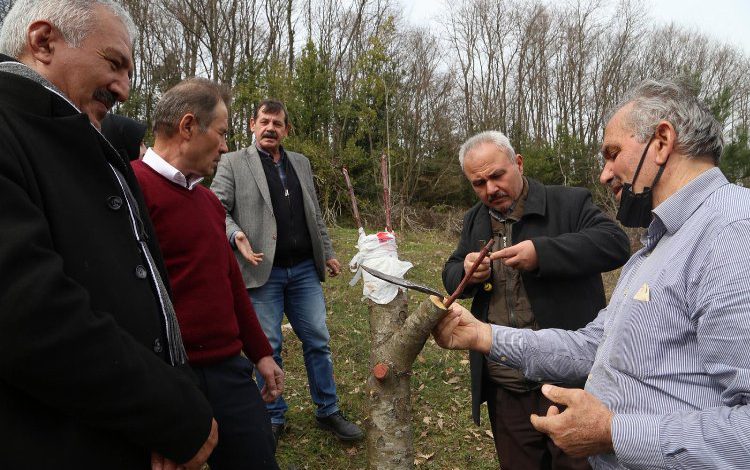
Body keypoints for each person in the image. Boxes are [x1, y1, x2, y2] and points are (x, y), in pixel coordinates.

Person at [433, 78, 750, 469]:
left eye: (612, 153)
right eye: (477, 182)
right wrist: (481, 334)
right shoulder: (660, 245)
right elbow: (591, 345)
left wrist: (613, 433)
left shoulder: (733, 232)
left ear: (663, 142)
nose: (604, 173)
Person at [0, 1, 216, 468]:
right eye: (114, 63)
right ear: (43, 42)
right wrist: (168, 412)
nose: (124, 87)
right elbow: (28, 315)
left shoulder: (80, 141)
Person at [443, 130, 630, 469]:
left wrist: (542, 254)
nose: (490, 190)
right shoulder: (476, 218)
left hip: (569, 384)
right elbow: (452, 270)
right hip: (506, 383)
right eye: (478, 183)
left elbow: (614, 243)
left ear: (517, 163)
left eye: (497, 175)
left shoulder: (568, 203)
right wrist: (466, 271)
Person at [132, 78, 284, 469]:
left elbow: (231, 283)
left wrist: (261, 353)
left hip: (228, 371)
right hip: (170, 376)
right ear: (187, 127)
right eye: (220, 133)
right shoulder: (132, 189)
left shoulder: (208, 203)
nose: (225, 146)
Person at [211, 99, 363, 444]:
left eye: (277, 124)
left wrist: (326, 252)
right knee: (269, 347)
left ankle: (328, 411)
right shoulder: (233, 163)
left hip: (304, 271)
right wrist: (236, 236)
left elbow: (314, 213)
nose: (270, 128)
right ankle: (273, 415)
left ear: (286, 130)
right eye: (264, 121)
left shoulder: (300, 163)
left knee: (318, 341)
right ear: (252, 125)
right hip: (262, 271)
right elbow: (216, 208)